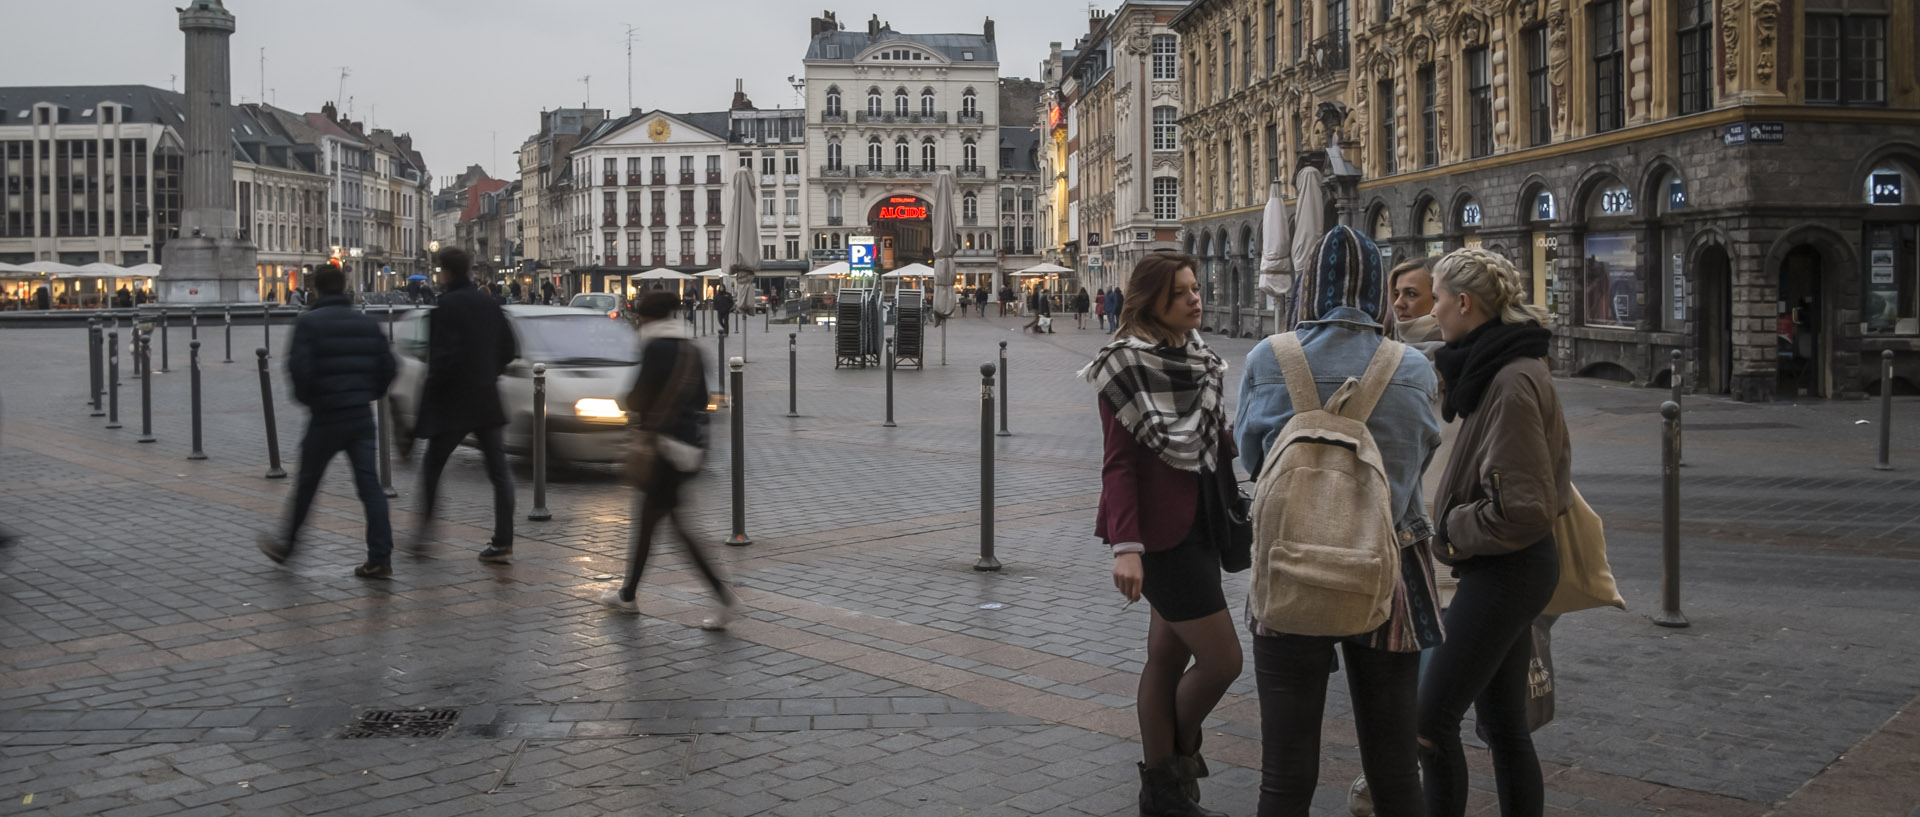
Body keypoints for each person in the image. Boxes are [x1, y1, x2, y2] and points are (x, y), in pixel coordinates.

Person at [1235, 226, 1443, 817]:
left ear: (1306, 286)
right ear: (1380, 289)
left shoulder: (1269, 358)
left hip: (1287, 565)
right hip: (1393, 566)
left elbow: (1253, 456)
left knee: (1285, 770)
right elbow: (1421, 458)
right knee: (1396, 767)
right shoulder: (1414, 367)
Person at [1081, 251, 1241, 817]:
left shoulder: (1200, 358)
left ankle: (1162, 792)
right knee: (1224, 663)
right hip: (1159, 539)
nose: (1196, 299)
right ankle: (1180, 751)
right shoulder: (1122, 366)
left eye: (1197, 288)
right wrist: (1127, 548)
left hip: (1202, 524)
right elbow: (1118, 465)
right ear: (1155, 301)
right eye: (1183, 293)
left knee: (1167, 660)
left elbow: (1211, 443)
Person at [1420, 247, 1569, 817]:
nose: (1433, 313)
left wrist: (1452, 526)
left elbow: (1523, 509)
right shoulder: (1499, 367)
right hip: (1511, 567)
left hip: (1508, 569)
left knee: (1430, 721)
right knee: (1504, 726)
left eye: (1436, 299)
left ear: (1464, 303)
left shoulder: (1508, 381)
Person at [599, 292, 739, 629]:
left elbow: (638, 396)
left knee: (672, 526)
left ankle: (723, 596)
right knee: (650, 521)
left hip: (663, 448)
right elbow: (704, 398)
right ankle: (628, 593)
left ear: (647, 318)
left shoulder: (655, 347)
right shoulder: (690, 348)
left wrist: (628, 402)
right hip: (689, 446)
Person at [257, 262, 399, 578]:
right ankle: (380, 557)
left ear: (316, 289)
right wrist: (369, 391)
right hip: (360, 414)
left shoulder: (308, 324)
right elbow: (389, 365)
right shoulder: (367, 323)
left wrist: (313, 399)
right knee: (370, 487)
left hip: (326, 417)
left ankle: (287, 546)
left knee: (307, 483)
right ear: (344, 286)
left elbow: (299, 370)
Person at [411, 246, 520, 564]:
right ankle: (503, 541)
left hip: (452, 402)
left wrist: (429, 400)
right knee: (499, 473)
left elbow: (440, 360)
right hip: (486, 397)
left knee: (433, 467)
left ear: (446, 271)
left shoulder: (444, 306)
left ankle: (424, 536)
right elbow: (510, 348)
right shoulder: (489, 302)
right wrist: (490, 372)